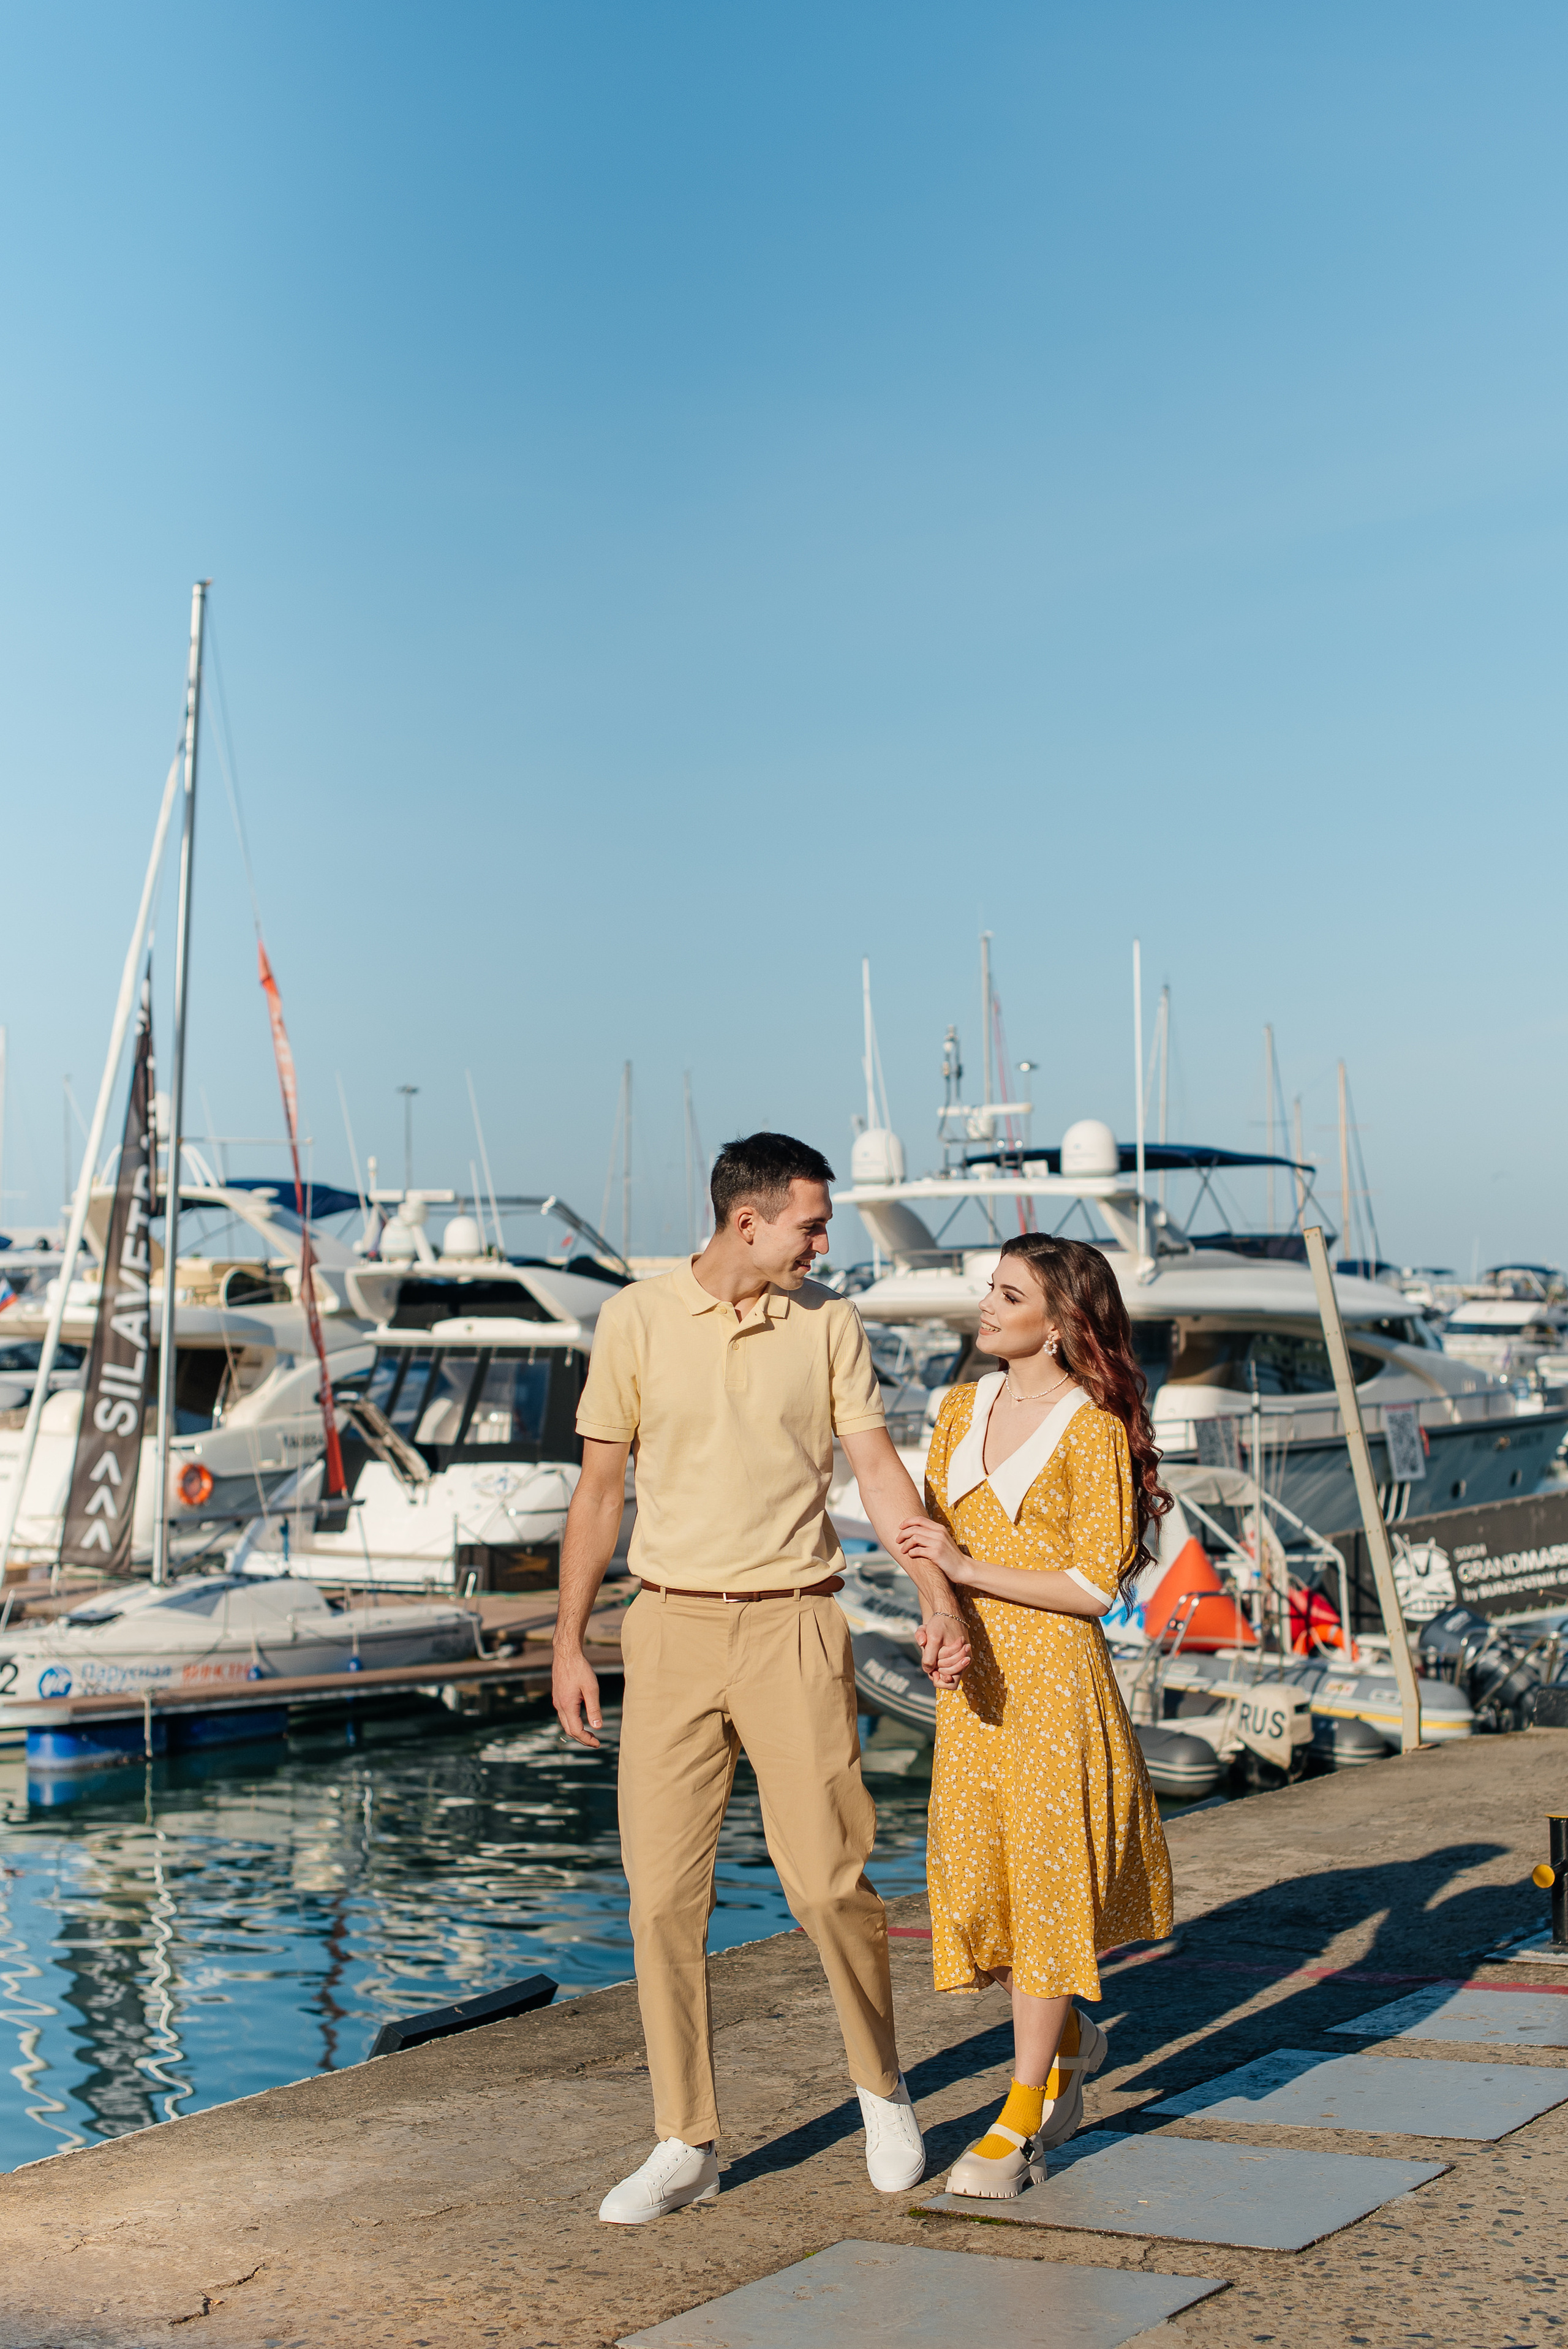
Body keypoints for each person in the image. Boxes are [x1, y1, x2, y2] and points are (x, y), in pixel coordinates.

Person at [552, 1132, 970, 2225]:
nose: (822, 1245)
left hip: (796, 1624)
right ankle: (685, 2140)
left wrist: (935, 1591)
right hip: (669, 1630)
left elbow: (876, 1468)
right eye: (811, 1226)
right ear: (749, 1222)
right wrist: (569, 1641)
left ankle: (882, 2089)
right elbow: (599, 1493)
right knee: (660, 1901)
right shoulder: (634, 1320)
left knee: (829, 1883)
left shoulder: (829, 1323)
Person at [896, 1232, 1173, 2198]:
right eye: (992, 1287)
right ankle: (1072, 2039)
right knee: (991, 1889)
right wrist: (939, 1608)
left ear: (1060, 1325)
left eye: (1010, 1295)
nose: (988, 1304)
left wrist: (965, 1568)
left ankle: (1019, 2124)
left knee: (1050, 1893)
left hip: (1055, 1685)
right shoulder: (959, 1406)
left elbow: (1095, 1585)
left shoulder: (1092, 1427)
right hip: (974, 1686)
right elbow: (925, 1540)